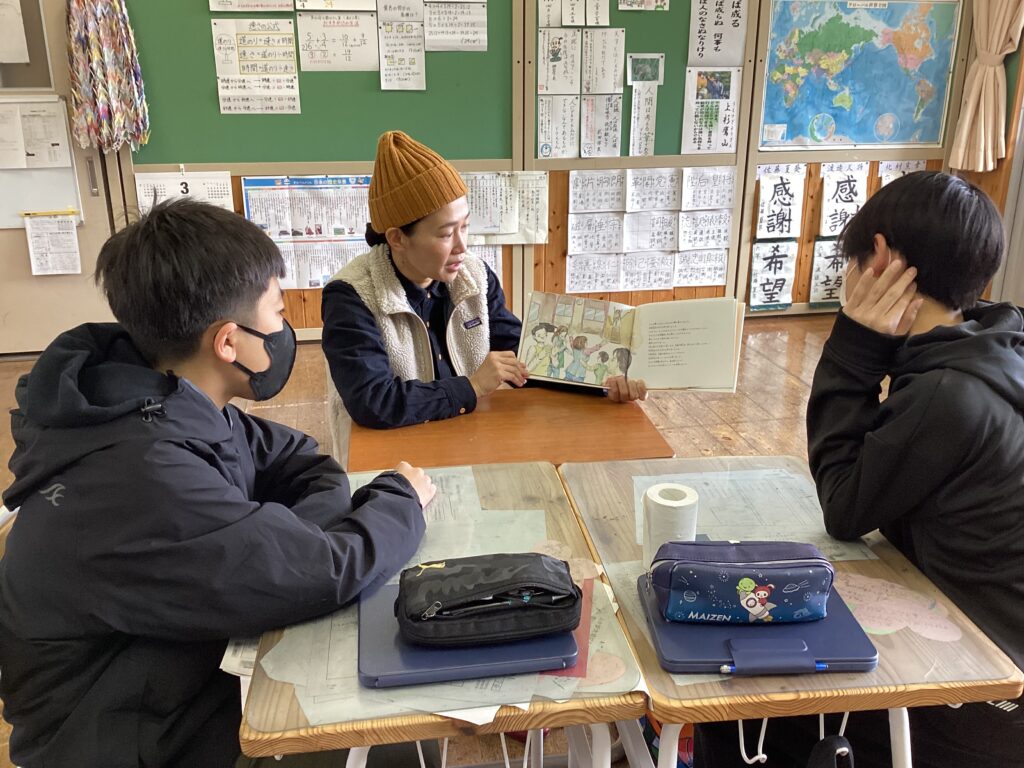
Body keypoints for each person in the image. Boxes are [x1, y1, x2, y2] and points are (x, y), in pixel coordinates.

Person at [0, 200, 435, 767]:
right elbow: (328, 571)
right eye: (277, 312)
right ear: (227, 342)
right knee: (392, 726)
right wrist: (400, 498)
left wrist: (283, 541)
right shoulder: (142, 471)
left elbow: (305, 463)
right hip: (120, 734)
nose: (282, 331)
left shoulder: (166, 400)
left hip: (167, 675)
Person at [695, 171, 1024, 766]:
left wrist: (853, 344)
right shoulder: (996, 347)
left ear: (879, 258)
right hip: (988, 649)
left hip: (983, 693)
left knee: (733, 703)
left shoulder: (947, 394)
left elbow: (844, 507)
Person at [321, 130, 645, 437]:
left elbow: (525, 357)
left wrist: (603, 381)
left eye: (465, 226)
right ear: (397, 238)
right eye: (446, 234)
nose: (462, 246)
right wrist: (472, 386)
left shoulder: (474, 276)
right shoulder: (352, 296)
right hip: (392, 452)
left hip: (462, 435)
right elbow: (374, 401)